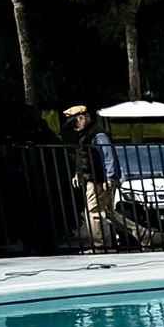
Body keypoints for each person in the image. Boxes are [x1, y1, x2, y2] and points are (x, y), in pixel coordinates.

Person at [66, 105, 119, 247]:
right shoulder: (87, 134)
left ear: (83, 118)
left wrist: (109, 178)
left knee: (93, 211)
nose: (75, 126)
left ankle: (99, 245)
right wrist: (79, 173)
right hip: (95, 178)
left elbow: (108, 156)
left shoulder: (97, 134)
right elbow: (84, 157)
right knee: (107, 213)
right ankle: (144, 234)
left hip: (98, 179)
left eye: (75, 121)